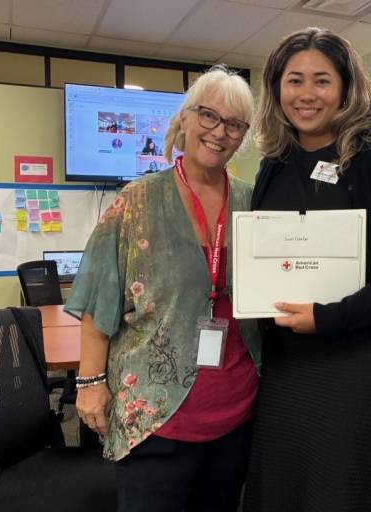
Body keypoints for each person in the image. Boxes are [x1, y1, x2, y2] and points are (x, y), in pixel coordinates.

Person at [242, 27, 371, 512]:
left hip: (365, 356)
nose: (306, 94)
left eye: (322, 81)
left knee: (350, 484)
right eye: (294, 81)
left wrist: (331, 317)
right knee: (290, 475)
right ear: (276, 89)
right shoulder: (274, 164)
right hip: (290, 358)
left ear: (347, 89)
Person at [65, 65, 261, 512]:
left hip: (236, 411)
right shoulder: (134, 201)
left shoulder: (253, 202)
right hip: (156, 415)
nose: (219, 132)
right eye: (208, 116)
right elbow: (98, 302)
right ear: (184, 120)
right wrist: (90, 382)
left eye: (234, 124)